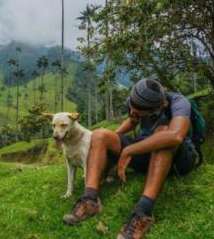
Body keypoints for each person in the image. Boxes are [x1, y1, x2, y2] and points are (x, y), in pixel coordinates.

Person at [62, 78, 198, 239]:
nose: (132, 110)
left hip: (180, 160)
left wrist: (129, 150)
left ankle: (143, 212)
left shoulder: (179, 102)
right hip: (146, 154)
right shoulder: (135, 104)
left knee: (163, 133)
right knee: (100, 134)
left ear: (155, 109)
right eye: (131, 105)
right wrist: (108, 142)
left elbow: (176, 136)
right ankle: (90, 200)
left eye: (138, 110)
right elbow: (132, 121)